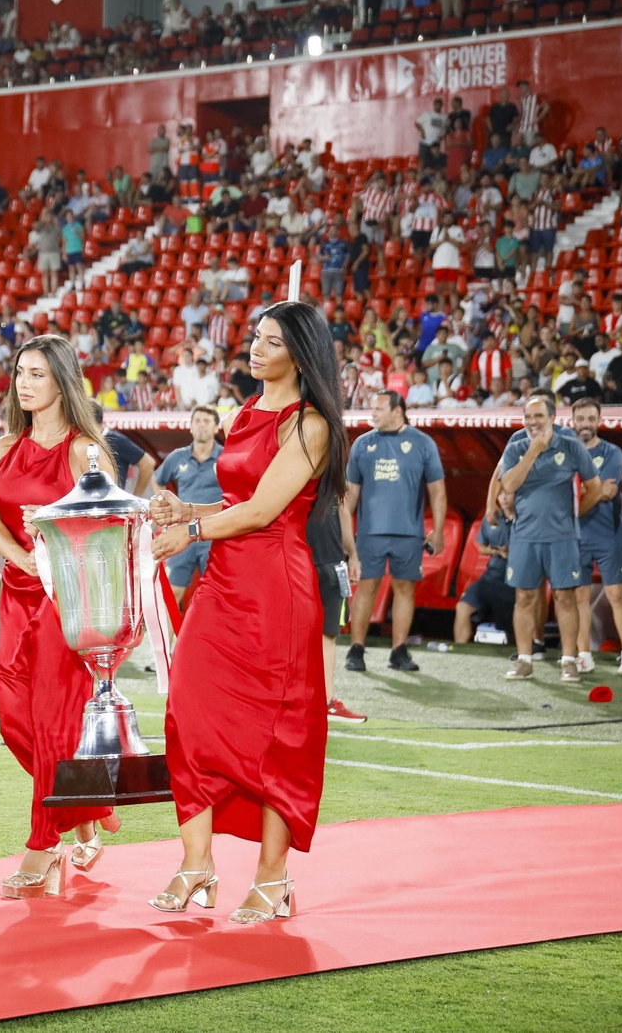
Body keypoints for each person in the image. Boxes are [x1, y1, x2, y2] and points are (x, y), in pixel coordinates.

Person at [147, 300, 347, 924]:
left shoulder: (310, 425)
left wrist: (194, 529)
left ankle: (273, 877)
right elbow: (235, 496)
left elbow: (263, 511)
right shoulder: (243, 412)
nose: (255, 350)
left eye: (271, 342)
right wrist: (183, 511)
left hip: (276, 586)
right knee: (187, 709)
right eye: (254, 339)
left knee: (277, 732)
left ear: (301, 353)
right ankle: (197, 864)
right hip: (226, 579)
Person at [0, 333, 117, 899]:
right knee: (15, 714)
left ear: (62, 380)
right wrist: (24, 558)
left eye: (38, 374)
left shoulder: (86, 449)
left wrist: (56, 533)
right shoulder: (8, 447)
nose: (25, 383)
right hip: (19, 592)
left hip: (70, 601)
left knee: (52, 722)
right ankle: (81, 811)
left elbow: (116, 527)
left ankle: (44, 847)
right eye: (20, 373)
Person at [498, 394, 603, 682]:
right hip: (524, 536)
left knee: (565, 597)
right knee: (524, 597)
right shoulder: (516, 447)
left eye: (538, 417)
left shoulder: (571, 446)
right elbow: (507, 484)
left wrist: (572, 515)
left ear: (553, 418)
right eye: (528, 417)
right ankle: (524, 660)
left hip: (562, 537)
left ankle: (569, 660)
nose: (532, 422)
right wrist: (533, 451)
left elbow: (596, 488)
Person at [343, 390, 446, 674]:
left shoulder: (423, 444)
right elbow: (350, 495)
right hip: (370, 533)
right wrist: (344, 534)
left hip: (409, 534)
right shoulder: (362, 444)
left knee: (405, 589)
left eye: (378, 409)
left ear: (397, 411)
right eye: (371, 408)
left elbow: (437, 491)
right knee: (366, 588)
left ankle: (398, 650)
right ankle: (356, 649)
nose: (372, 413)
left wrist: (437, 530)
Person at [570, 398, 622, 675]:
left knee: (617, 594)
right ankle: (583, 655)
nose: (585, 424)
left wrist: (581, 498)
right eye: (581, 418)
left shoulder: (611, 452)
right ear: (572, 421)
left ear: (598, 421)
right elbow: (597, 491)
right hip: (574, 536)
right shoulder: (566, 453)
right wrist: (594, 493)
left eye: (590, 419)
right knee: (578, 597)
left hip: (609, 534)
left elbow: (604, 491)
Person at [151, 406, 223, 609]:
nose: (201, 425)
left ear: (216, 427)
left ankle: (212, 640)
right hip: (182, 532)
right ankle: (169, 642)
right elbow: (157, 479)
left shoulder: (226, 457)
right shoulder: (177, 457)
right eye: (197, 421)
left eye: (206, 421)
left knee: (214, 595)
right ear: (190, 427)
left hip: (213, 533)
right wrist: (162, 502)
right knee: (173, 592)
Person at [316, 499, 365, 723]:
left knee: (329, 634)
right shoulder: (291, 465)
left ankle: (327, 702)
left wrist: (352, 555)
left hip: (331, 561)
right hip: (298, 557)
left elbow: (343, 508)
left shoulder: (334, 466)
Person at [454, 501, 516, 643]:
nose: (504, 498)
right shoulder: (491, 517)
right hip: (489, 579)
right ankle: (459, 652)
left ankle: (520, 654)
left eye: (508, 493)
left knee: (513, 626)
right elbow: (481, 547)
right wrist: (496, 551)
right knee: (462, 607)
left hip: (513, 581)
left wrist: (513, 552)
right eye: (501, 494)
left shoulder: (526, 518)